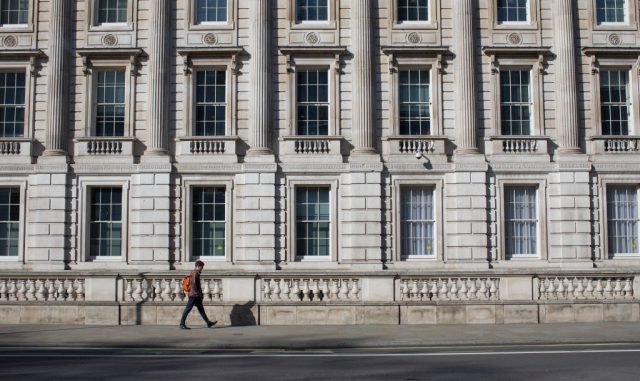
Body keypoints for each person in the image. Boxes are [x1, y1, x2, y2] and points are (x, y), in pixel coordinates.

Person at [179, 260, 217, 329]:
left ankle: (208, 322)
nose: (202, 268)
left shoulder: (195, 273)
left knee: (201, 309)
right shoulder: (195, 273)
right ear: (198, 266)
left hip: (196, 295)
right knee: (187, 309)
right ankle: (182, 324)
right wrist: (197, 293)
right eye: (201, 267)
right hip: (194, 295)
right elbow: (193, 284)